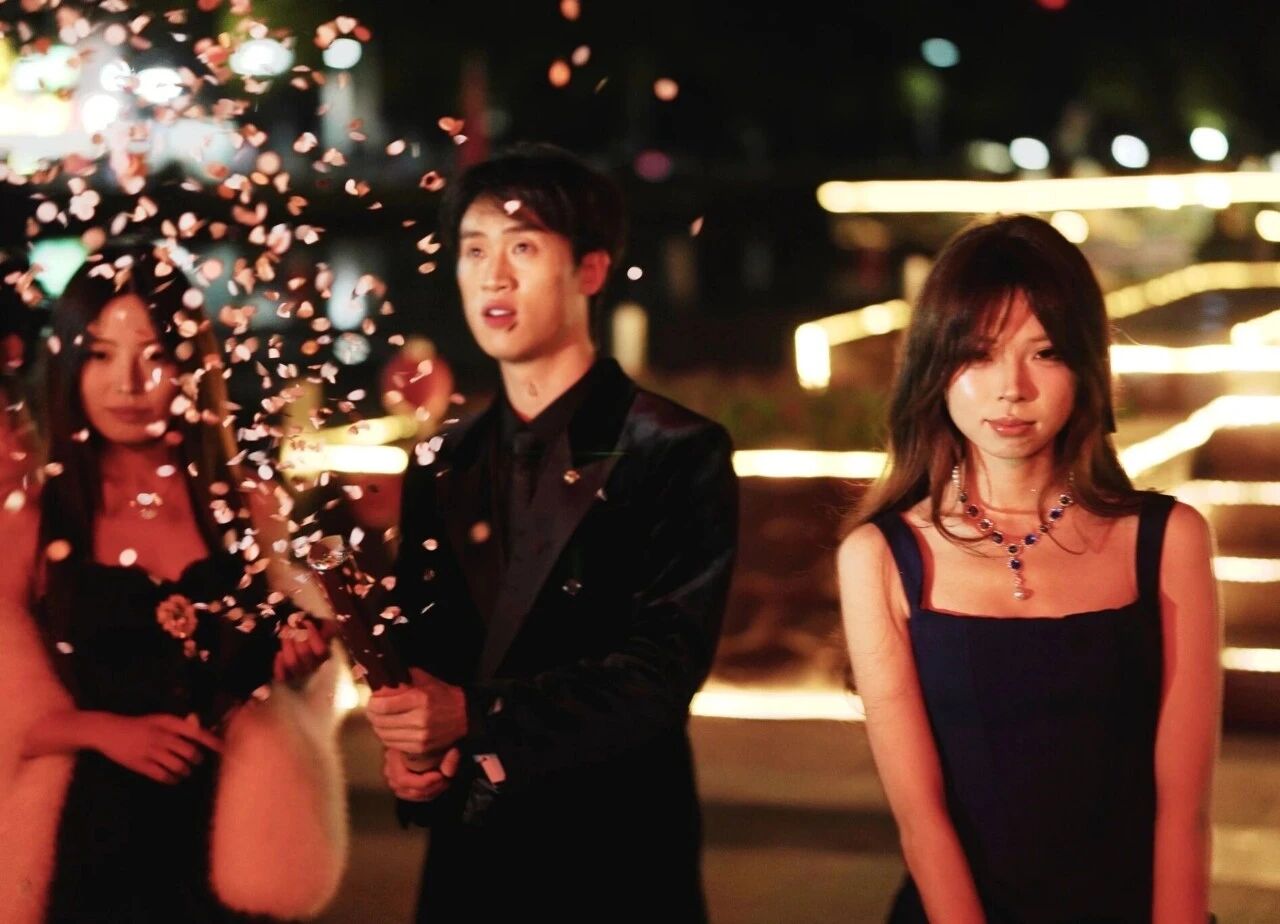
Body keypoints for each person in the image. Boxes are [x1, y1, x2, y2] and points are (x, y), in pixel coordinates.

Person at [363, 143, 739, 922]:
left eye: (523, 248)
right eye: (474, 250)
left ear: (591, 270)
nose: (493, 276)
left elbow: (661, 673)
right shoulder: (439, 461)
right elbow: (428, 657)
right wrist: (413, 752)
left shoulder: (674, 451)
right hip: (469, 864)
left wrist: (474, 714)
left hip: (618, 856)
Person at [838, 215, 1220, 923]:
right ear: (934, 368)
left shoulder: (1169, 540)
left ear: (1085, 366)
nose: (1011, 388)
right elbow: (922, 823)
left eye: (1044, 353)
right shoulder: (881, 556)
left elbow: (1183, 811)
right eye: (978, 355)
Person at [0, 245, 345, 922]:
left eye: (154, 354)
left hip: (240, 833)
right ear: (69, 364)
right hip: (93, 833)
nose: (127, 382)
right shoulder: (35, 519)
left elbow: (298, 680)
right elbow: (9, 707)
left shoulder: (246, 506)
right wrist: (101, 729)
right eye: (100, 355)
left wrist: (299, 664)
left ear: (192, 363)